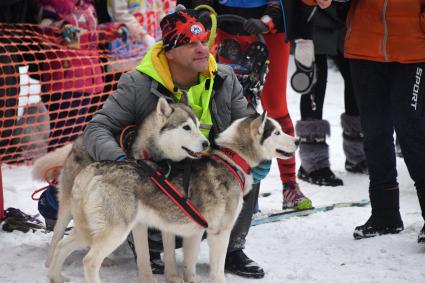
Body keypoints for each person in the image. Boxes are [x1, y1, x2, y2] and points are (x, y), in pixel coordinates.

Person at [82, 9, 272, 278]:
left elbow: (248, 126)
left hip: (205, 174)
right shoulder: (137, 83)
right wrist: (123, 164)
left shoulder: (225, 78)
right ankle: (146, 243)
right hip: (154, 177)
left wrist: (259, 151)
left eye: (203, 41)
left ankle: (233, 249)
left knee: (244, 166)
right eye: (189, 43)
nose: (201, 49)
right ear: (169, 52)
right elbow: (97, 129)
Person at [180, 0, 315, 215]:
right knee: (231, 110)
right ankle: (240, 189)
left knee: (275, 107)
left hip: (269, 31)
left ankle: (290, 186)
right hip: (225, 26)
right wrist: (204, 13)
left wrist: (268, 21)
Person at [310, 0, 425, 244]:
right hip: (364, 48)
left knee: (411, 130)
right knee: (374, 133)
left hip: (414, 50)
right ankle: (385, 215)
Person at [292, 1, 367, 187]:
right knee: (314, 81)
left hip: (346, 15)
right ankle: (312, 163)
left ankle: (357, 154)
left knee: (356, 78)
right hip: (312, 15)